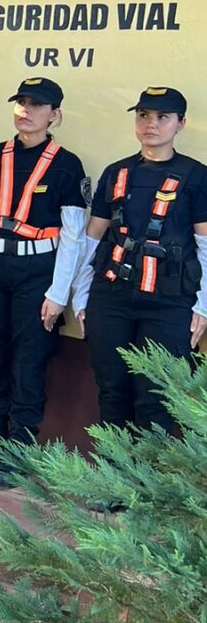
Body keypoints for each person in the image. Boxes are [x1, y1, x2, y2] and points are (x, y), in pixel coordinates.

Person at [0, 77, 89, 486]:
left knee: (28, 361)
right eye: (21, 103)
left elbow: (74, 236)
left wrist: (58, 293)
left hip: (38, 273)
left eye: (37, 105)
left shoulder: (68, 165)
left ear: (55, 115)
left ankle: (20, 451)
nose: (26, 111)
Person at [72, 87, 207, 432]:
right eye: (144, 115)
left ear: (181, 124)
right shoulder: (117, 172)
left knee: (157, 395)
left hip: (170, 302)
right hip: (111, 298)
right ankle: (113, 479)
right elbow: (91, 240)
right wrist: (80, 297)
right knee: (112, 390)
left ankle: (147, 483)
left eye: (163, 117)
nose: (152, 124)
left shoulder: (197, 176)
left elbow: (206, 246)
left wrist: (203, 305)